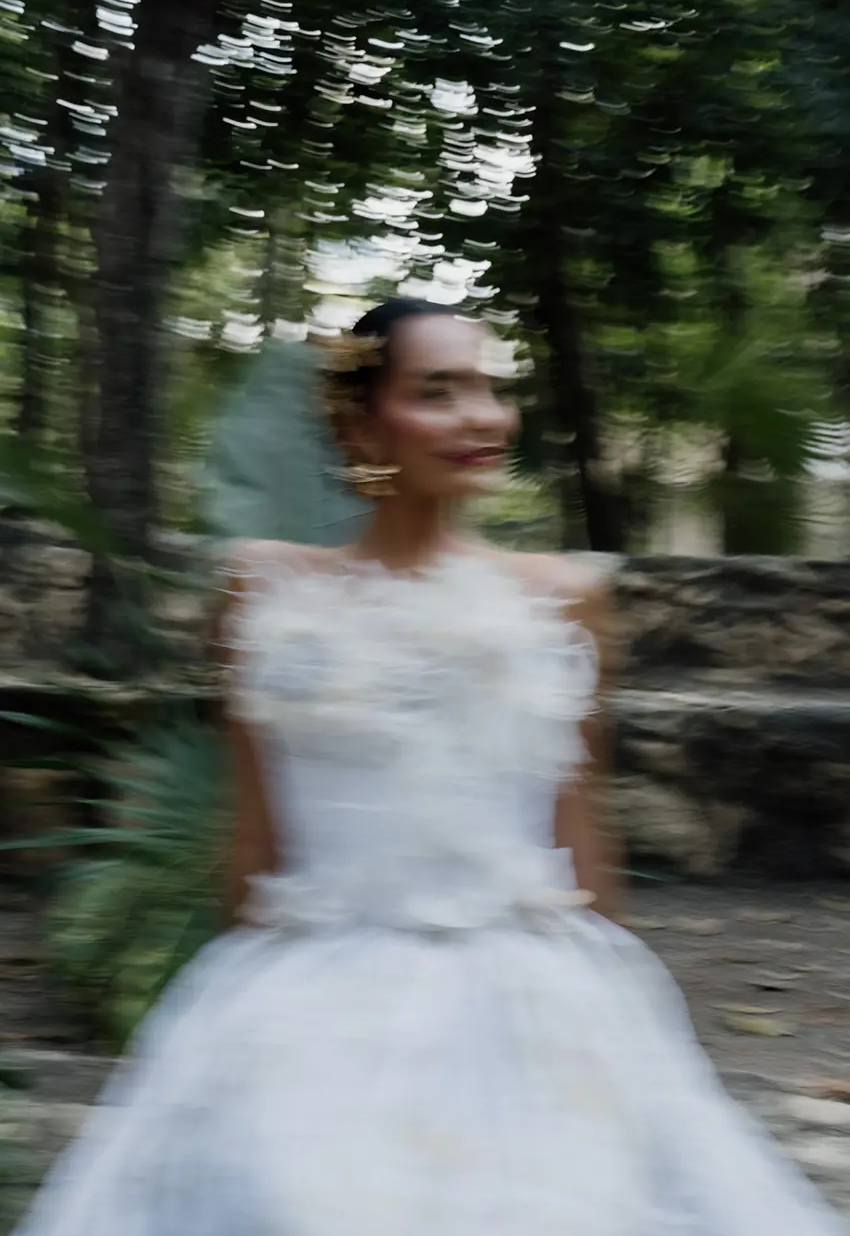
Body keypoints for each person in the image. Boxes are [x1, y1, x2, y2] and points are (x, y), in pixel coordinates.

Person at [17, 297, 847, 1236]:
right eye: (439, 392)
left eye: (491, 389)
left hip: (529, 998)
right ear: (358, 421)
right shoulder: (264, 592)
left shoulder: (566, 601)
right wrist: (223, 1039)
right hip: (307, 1001)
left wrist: (625, 1040)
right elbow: (253, 847)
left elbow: (581, 843)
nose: (483, 417)